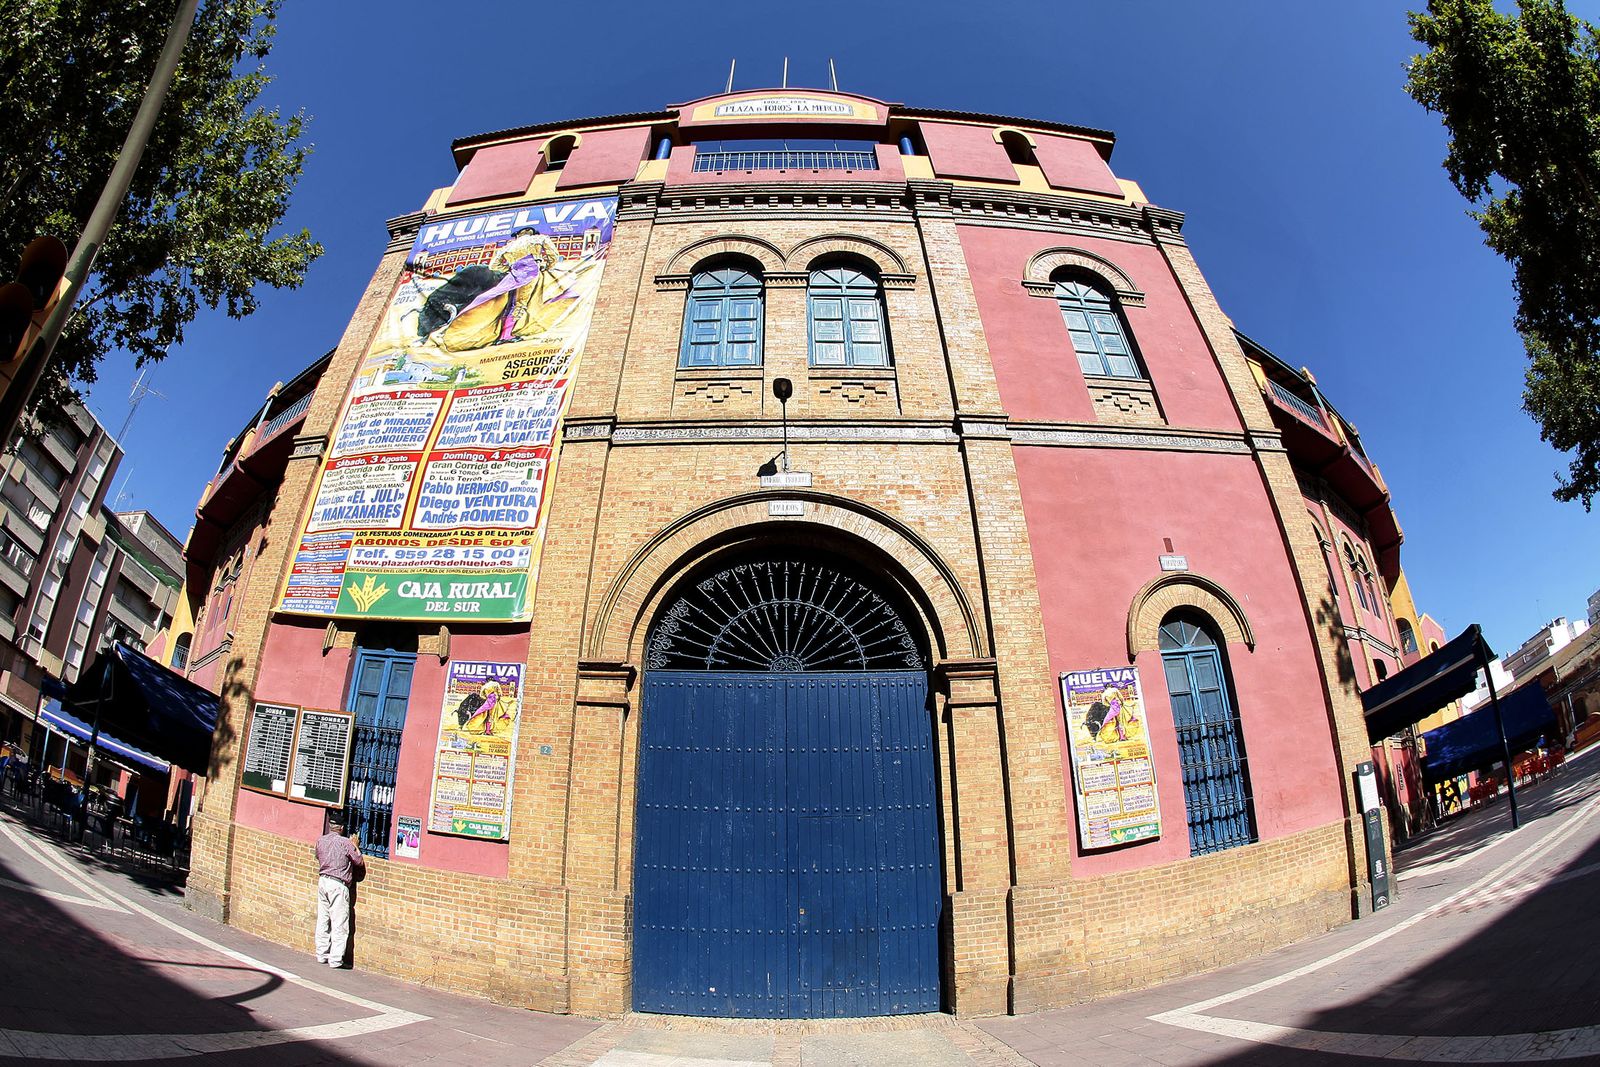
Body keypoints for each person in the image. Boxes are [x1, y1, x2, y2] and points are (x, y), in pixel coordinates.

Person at [314, 815, 365, 969]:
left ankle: (321, 954)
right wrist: (355, 845)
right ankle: (336, 959)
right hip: (338, 884)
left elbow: (317, 855)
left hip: (323, 880)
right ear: (342, 828)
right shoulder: (345, 843)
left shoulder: (321, 840)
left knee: (323, 919)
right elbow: (359, 861)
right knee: (339, 922)